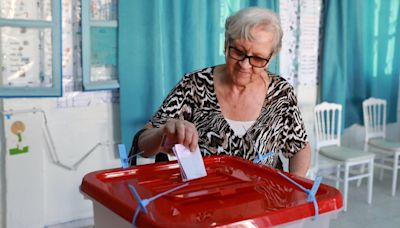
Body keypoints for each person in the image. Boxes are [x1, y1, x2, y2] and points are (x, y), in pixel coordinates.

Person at [129, 7, 311, 177]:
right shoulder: (194, 85)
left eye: (257, 58)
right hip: (206, 202)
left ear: (271, 57)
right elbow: (142, 145)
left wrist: (294, 188)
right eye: (238, 52)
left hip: (266, 203)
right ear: (226, 44)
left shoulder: (281, 93)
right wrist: (163, 133)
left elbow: (299, 148)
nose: (245, 65)